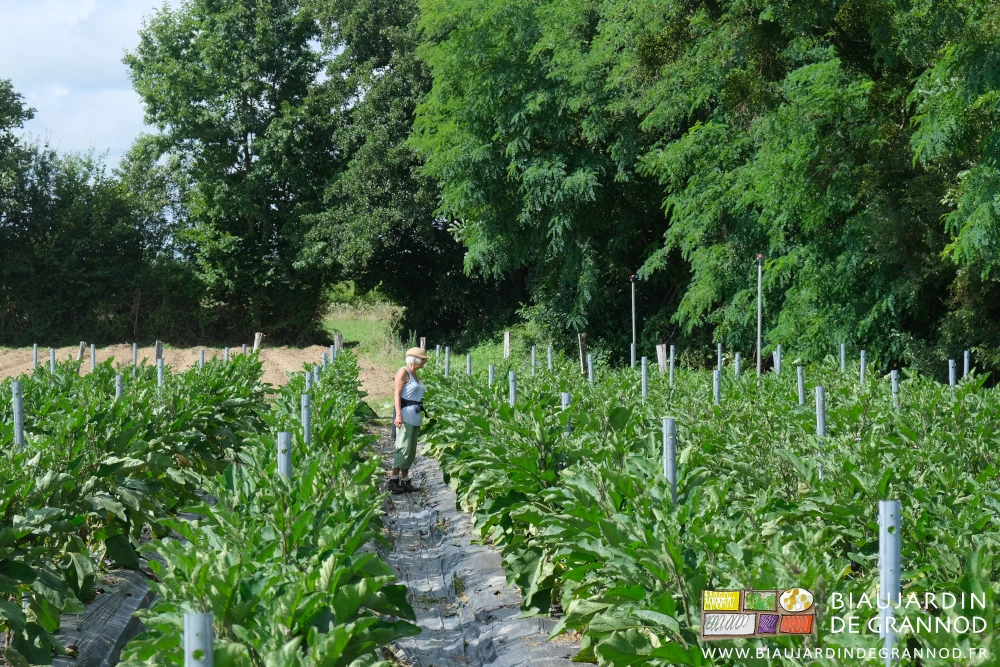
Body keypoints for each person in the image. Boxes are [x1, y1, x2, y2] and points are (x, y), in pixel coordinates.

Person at [389, 347, 428, 494]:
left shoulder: (415, 374)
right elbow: (397, 395)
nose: (424, 362)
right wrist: (398, 415)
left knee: (411, 450)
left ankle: (405, 481)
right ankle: (393, 480)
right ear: (415, 360)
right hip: (405, 415)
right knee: (403, 447)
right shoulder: (403, 372)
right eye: (423, 359)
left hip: (415, 416)